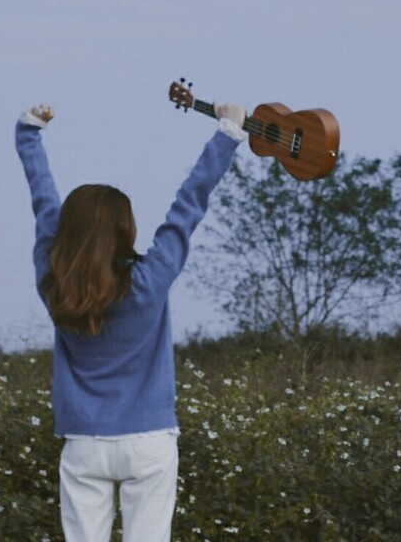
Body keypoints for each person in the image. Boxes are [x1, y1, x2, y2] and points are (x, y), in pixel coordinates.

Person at [15, 100, 246, 542]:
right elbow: (188, 206)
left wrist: (29, 134)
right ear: (126, 230)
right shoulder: (149, 282)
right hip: (149, 441)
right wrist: (228, 135)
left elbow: (45, 205)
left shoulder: (54, 282)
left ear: (68, 233)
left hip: (83, 441)